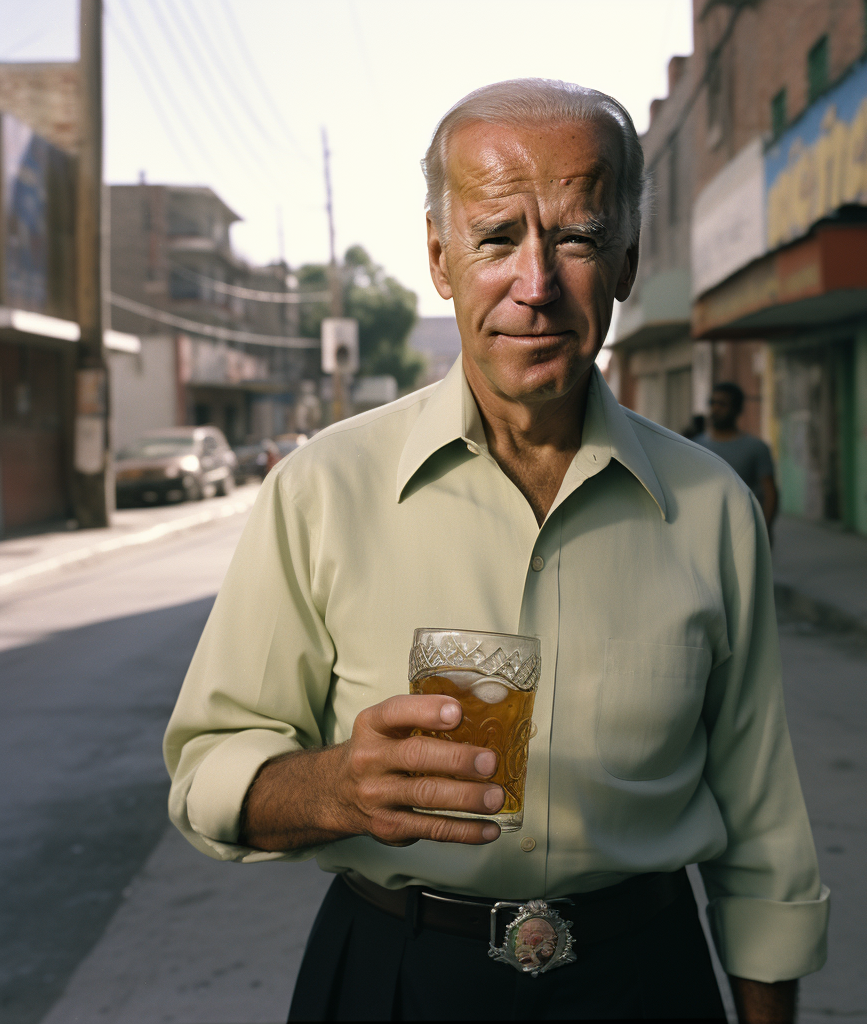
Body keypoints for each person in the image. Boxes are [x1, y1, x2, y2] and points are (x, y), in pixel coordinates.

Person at [164, 79, 828, 1022]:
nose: (536, 282)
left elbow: (760, 822)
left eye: (577, 237)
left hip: (645, 978)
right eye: (494, 237)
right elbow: (207, 770)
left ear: (628, 259)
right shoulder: (323, 489)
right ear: (439, 258)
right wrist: (334, 788)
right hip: (394, 974)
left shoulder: (712, 506)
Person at [694, 383, 778, 529]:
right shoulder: (694, 446)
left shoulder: (756, 448)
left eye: (722, 404)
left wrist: (765, 530)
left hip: (744, 529)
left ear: (737, 409)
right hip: (704, 530)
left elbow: (770, 492)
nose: (715, 408)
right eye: (712, 403)